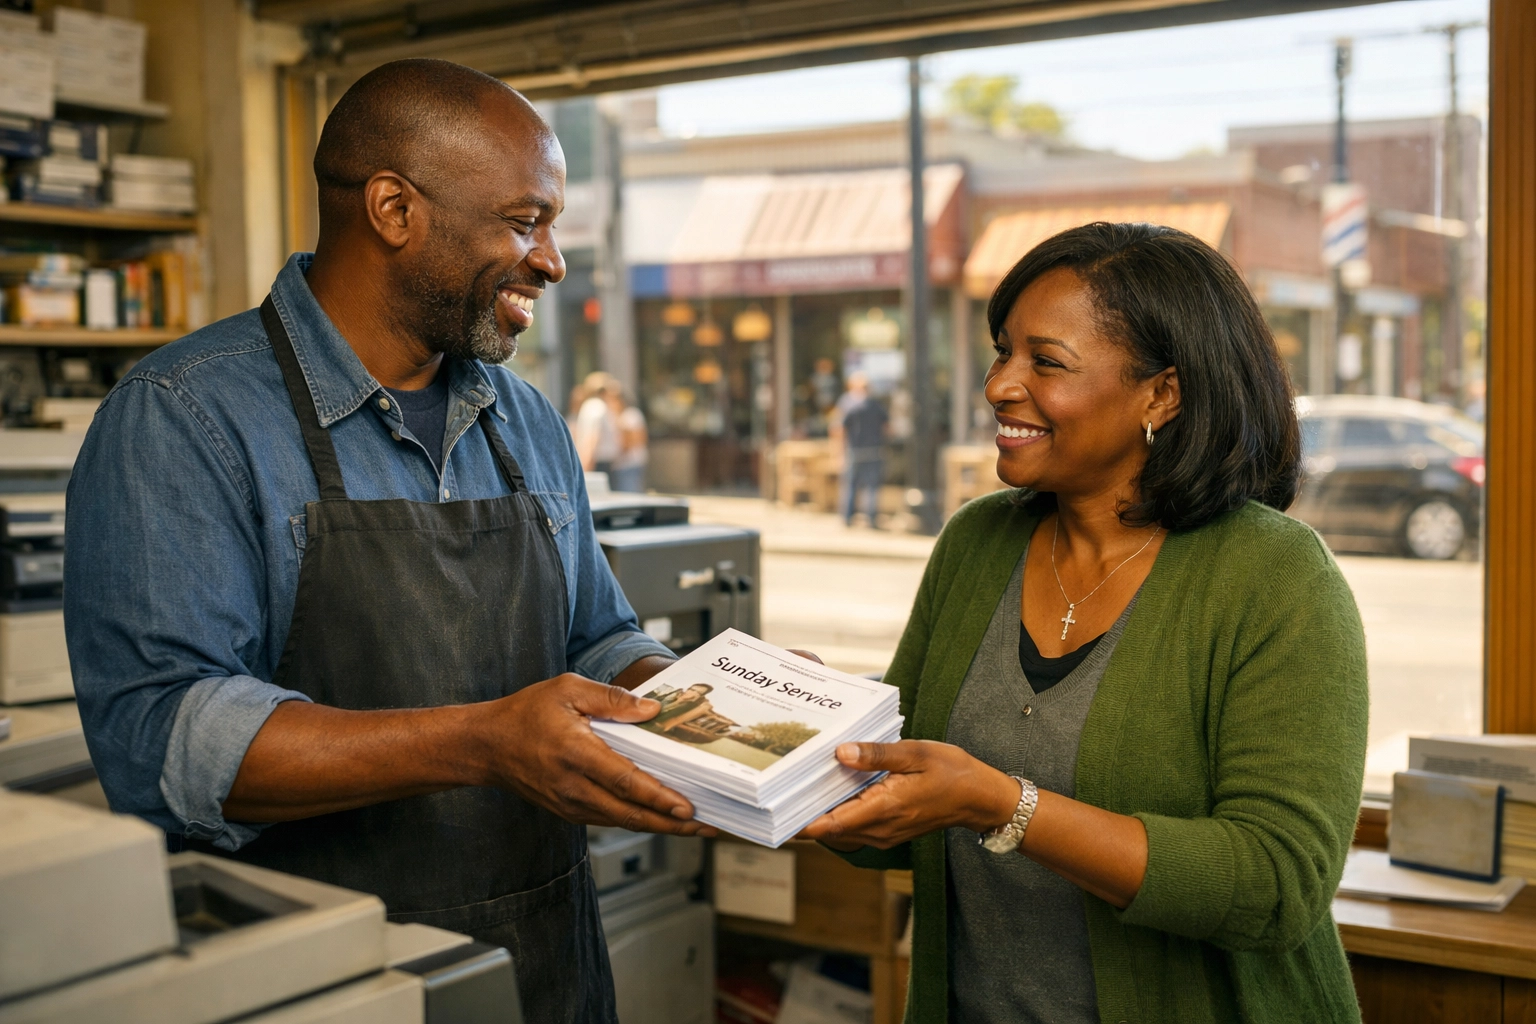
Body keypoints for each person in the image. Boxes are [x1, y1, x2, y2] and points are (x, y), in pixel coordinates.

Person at [63, 59, 715, 1024]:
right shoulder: (184, 420)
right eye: (525, 221)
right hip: (325, 983)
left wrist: (725, 707)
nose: (551, 260)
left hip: (545, 964)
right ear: (393, 209)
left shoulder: (524, 418)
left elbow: (597, 640)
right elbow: (169, 741)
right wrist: (486, 742)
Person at [802, 223, 1369, 1024]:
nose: (1000, 384)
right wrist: (810, 740)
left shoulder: (1275, 577)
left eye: (1046, 361)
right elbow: (901, 811)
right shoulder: (978, 541)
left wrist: (1004, 806)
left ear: (1161, 395)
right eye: (1003, 352)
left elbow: (1276, 886)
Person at [830, 372, 887, 526]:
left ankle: (847, 518)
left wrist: (839, 451)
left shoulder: (847, 403)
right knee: (870, 487)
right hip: (872, 449)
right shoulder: (874, 404)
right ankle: (871, 519)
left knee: (850, 486)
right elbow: (887, 427)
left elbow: (838, 429)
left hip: (854, 450)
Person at [573, 370, 623, 477]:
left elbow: (592, 439)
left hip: (596, 461)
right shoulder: (600, 407)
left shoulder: (593, 406)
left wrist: (585, 465)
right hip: (602, 461)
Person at [607, 378, 649, 493]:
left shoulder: (630, 415)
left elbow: (634, 440)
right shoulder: (614, 416)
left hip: (629, 464)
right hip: (620, 465)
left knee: (629, 495)